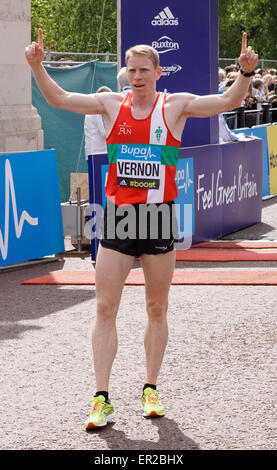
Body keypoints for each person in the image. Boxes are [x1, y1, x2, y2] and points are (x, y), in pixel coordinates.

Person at [25, 29, 258, 430]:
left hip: (158, 217)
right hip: (117, 216)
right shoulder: (110, 104)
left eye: (144, 70)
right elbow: (59, 99)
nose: (136, 76)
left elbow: (226, 101)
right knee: (104, 307)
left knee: (156, 307)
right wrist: (36, 66)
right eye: (131, 70)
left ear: (158, 72)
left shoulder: (175, 106)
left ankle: (151, 387)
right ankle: (101, 398)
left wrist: (245, 73)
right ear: (125, 73)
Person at [84, 86, 112, 160]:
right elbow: (104, 132)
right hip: (99, 153)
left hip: (95, 152)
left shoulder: (93, 110)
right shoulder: (97, 111)